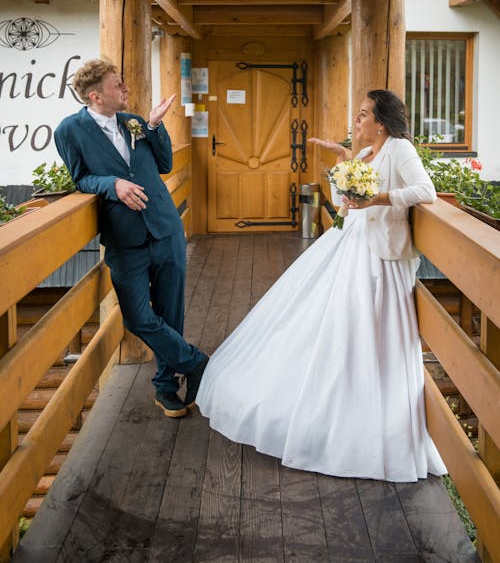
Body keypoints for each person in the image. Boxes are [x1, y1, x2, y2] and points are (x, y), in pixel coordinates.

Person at [196, 90, 446, 482]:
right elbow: (345, 204)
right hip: (351, 246)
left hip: (380, 256)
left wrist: (378, 197)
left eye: (363, 115)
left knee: (369, 330)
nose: (357, 121)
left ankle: (371, 408)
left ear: (381, 122)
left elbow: (424, 192)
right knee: (327, 324)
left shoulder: (399, 150)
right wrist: (342, 169)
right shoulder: (363, 156)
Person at [55, 58, 208, 419]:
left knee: (171, 312)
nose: (125, 89)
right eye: (117, 85)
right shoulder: (69, 131)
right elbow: (81, 180)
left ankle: (166, 388)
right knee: (138, 316)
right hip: (124, 237)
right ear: (96, 96)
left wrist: (154, 125)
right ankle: (196, 362)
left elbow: (165, 164)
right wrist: (113, 184)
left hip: (164, 227)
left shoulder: (135, 122)